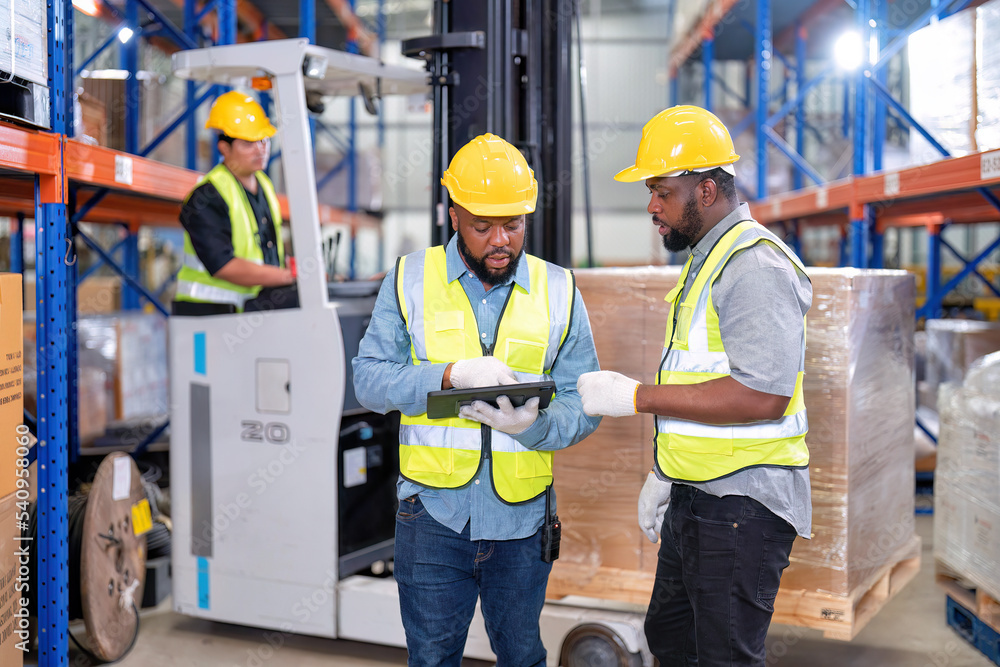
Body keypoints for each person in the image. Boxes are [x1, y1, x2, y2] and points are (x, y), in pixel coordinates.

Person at [352, 133, 601, 666]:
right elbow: (368, 381)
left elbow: (585, 399)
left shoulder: (560, 289)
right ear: (453, 215)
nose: (500, 241)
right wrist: (446, 375)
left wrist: (532, 428)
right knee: (433, 658)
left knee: (523, 656)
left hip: (522, 521)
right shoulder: (408, 279)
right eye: (483, 226)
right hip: (433, 518)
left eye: (513, 225)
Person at [577, 105, 813, 666]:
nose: (651, 207)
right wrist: (666, 473)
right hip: (699, 494)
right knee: (671, 638)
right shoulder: (707, 260)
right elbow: (700, 380)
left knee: (722, 656)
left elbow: (763, 395)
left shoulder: (751, 265)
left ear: (705, 191)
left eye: (662, 191)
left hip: (741, 506)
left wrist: (636, 397)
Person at [174, 90, 297, 316]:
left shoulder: (265, 185)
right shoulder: (205, 197)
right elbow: (223, 265)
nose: (260, 149)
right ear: (224, 147)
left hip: (254, 307)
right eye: (249, 143)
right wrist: (287, 276)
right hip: (210, 315)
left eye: (263, 140)